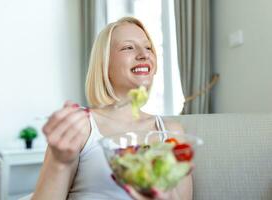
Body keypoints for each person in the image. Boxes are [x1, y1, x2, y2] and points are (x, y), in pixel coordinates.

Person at [31, 16, 192, 200]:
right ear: (105, 64)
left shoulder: (172, 133)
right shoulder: (81, 127)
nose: (144, 54)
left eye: (148, 48)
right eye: (128, 47)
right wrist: (58, 163)